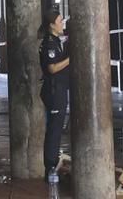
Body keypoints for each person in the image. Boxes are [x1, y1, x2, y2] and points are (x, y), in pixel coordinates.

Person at [39, 11, 72, 183]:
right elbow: (51, 68)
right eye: (60, 21)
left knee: (57, 129)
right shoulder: (49, 44)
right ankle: (50, 167)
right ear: (52, 25)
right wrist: (70, 59)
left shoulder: (57, 42)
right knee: (54, 130)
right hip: (53, 91)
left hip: (59, 89)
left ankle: (52, 165)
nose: (62, 24)